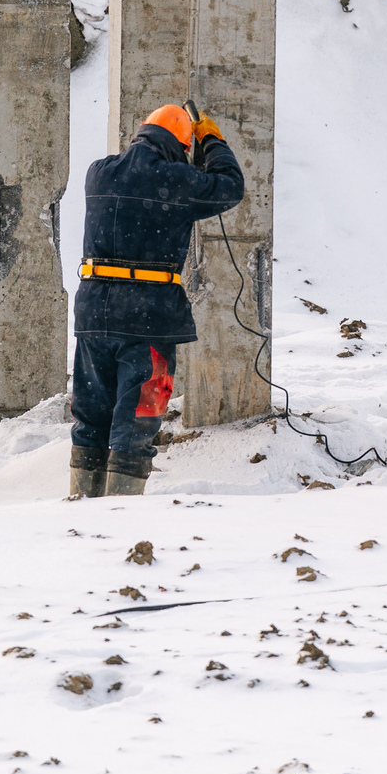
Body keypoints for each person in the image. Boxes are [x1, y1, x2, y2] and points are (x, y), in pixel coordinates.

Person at [69, 103, 245, 498]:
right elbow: (229, 186)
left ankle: (80, 506)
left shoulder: (98, 172)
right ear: (180, 148)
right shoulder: (176, 179)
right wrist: (212, 142)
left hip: (95, 313)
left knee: (91, 415)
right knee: (139, 415)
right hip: (148, 317)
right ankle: (120, 514)